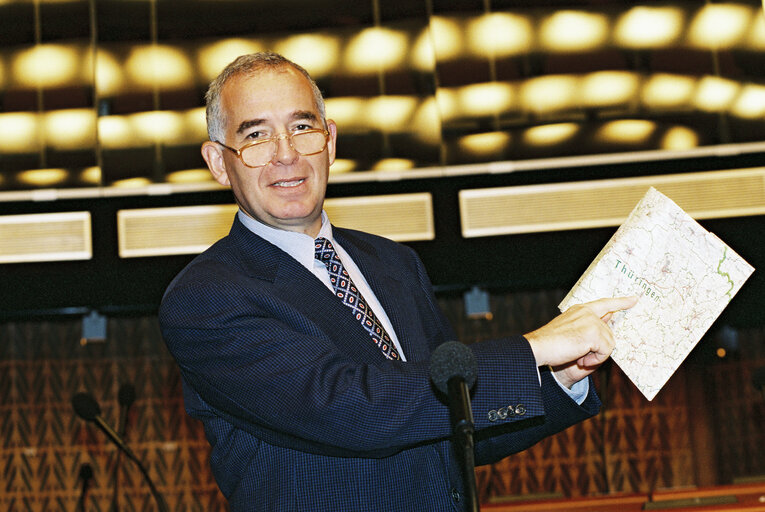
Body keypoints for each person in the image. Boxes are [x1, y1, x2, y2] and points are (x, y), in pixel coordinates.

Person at [159, 52, 637, 511]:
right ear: (219, 163)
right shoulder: (206, 297)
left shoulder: (393, 263)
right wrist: (533, 350)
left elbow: (451, 423)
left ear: (330, 141)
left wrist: (559, 378)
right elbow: (353, 410)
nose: (286, 154)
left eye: (302, 127)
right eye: (257, 135)